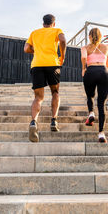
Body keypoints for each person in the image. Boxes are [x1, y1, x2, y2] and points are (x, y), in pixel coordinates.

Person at [24, 14, 66, 142]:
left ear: (43, 24)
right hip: (52, 64)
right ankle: (54, 121)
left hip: (37, 65)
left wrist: (36, 51)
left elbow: (26, 49)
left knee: (38, 97)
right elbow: (63, 40)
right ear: (54, 23)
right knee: (55, 92)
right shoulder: (56, 30)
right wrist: (62, 56)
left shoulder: (34, 33)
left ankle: (33, 122)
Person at [80, 28, 108, 143]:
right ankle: (101, 134)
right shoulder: (106, 47)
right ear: (101, 36)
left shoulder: (85, 48)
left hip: (91, 71)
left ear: (89, 36)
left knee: (90, 96)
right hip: (103, 71)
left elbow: (84, 57)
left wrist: (84, 68)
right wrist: (103, 71)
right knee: (102, 104)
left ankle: (91, 113)